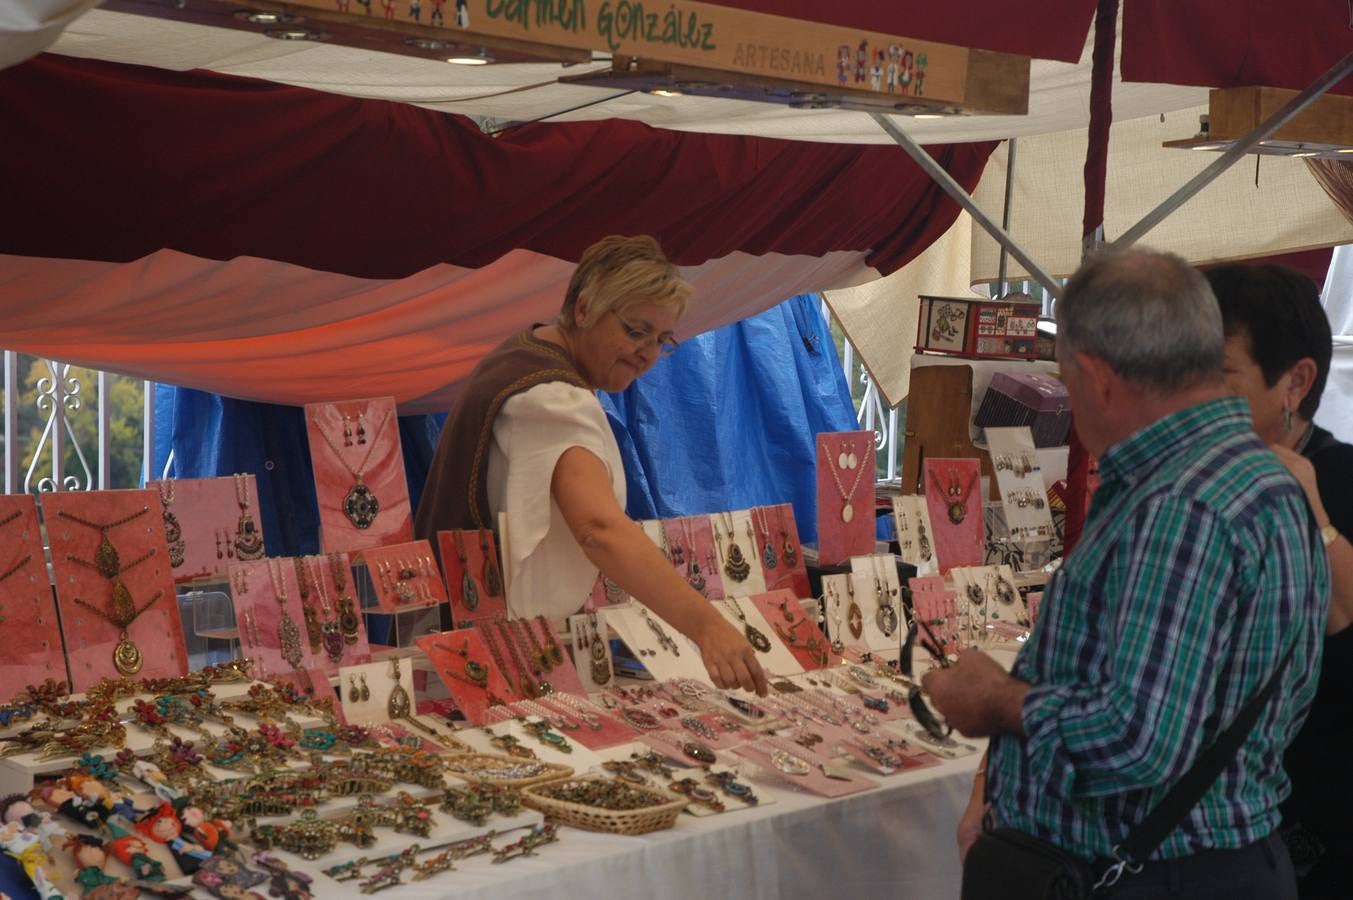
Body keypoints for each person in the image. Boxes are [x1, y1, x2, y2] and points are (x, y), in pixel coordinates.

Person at [923, 248, 1329, 898]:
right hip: (1207, 860)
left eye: (1065, 379)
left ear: (1096, 377)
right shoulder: (1258, 475)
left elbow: (1136, 740)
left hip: (1152, 874)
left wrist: (996, 701)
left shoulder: (1181, 504)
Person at [416, 234, 769, 695]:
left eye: (661, 340)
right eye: (635, 330)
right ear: (583, 311)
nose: (646, 353)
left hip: (467, 639)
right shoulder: (551, 397)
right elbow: (598, 529)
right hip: (482, 658)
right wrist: (708, 626)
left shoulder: (522, 354)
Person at [1209, 262, 1353, 898]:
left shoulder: (1338, 478)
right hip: (1204, 813)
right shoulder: (1192, 482)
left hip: (1313, 793)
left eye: (1218, 374)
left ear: (1296, 381)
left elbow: (1344, 615)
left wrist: (1315, 514)